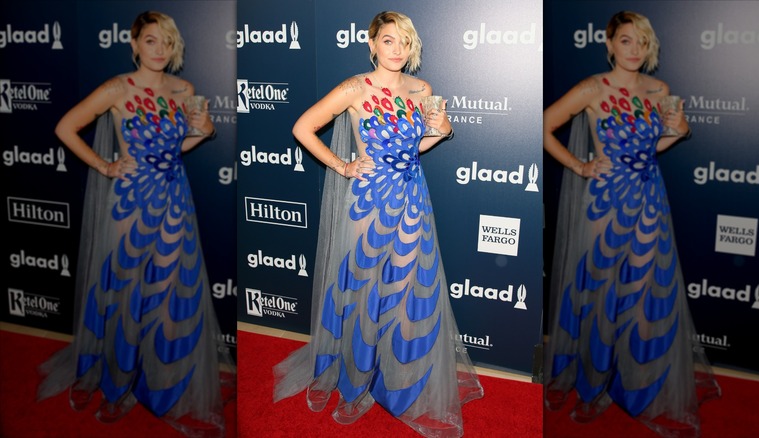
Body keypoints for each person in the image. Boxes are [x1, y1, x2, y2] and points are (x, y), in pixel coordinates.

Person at [272, 10, 483, 437]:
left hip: (412, 199)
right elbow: (303, 127)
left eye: (405, 42)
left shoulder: (421, 89)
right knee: (365, 290)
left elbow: (416, 147)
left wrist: (442, 131)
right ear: (372, 44)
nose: (398, 49)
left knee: (404, 292)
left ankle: (394, 380)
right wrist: (344, 166)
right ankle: (355, 385)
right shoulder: (354, 88)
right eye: (389, 40)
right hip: (369, 202)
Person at [37, 11, 234, 437]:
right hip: (131, 202)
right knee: (125, 290)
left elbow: (182, 144)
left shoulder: (185, 89)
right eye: (150, 41)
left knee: (164, 291)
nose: (159, 49)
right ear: (134, 44)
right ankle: (116, 381)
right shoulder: (117, 88)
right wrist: (106, 167)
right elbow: (65, 127)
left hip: (174, 199)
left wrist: (207, 129)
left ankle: (155, 380)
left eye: (166, 41)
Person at [543, 10, 720, 437]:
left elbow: (654, 145)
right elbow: (545, 126)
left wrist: (679, 131)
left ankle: (631, 383)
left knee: (639, 294)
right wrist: (581, 167)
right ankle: (592, 385)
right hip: (605, 204)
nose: (635, 49)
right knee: (601, 293)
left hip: (648, 201)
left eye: (642, 41)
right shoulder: (592, 88)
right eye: (626, 40)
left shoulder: (659, 90)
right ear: (609, 44)